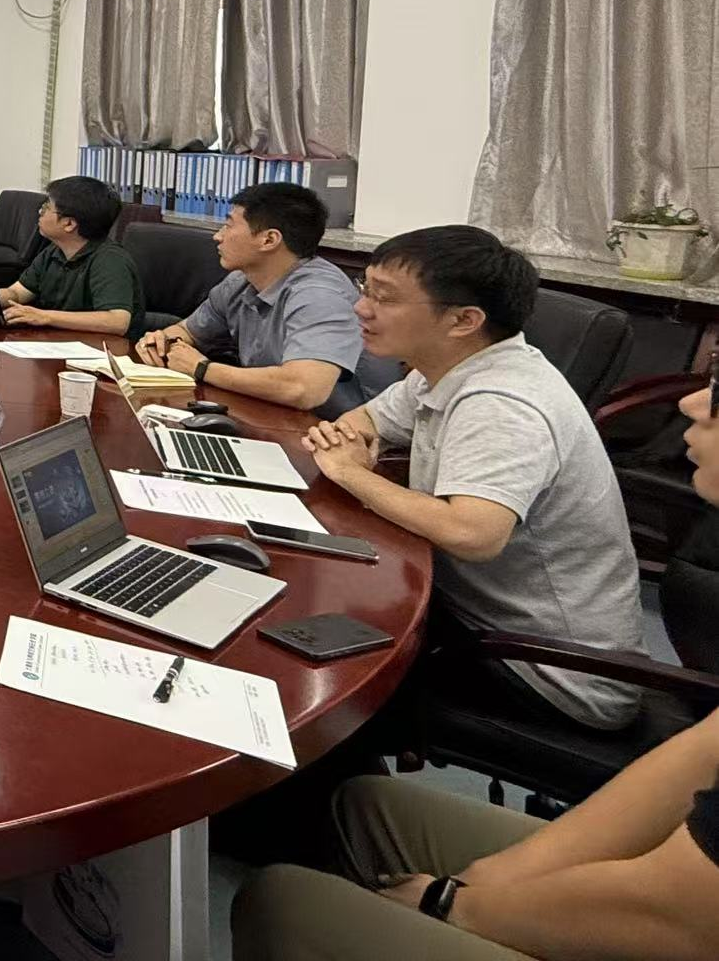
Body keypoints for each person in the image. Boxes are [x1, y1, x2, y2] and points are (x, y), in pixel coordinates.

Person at [234, 378, 719, 960]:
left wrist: (450, 904)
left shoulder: (507, 402)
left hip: (680, 903)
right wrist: (492, 878)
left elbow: (680, 916)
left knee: (280, 900)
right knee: (362, 804)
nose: (691, 401)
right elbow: (703, 751)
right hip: (683, 877)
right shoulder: (441, 380)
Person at [302, 225, 644, 732]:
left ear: (463, 320)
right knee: (318, 600)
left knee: (312, 660)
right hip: (471, 612)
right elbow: (363, 421)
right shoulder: (443, 367)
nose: (361, 308)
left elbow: (472, 534)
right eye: (364, 288)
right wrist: (350, 447)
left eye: (384, 298)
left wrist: (352, 472)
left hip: (550, 670)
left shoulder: (502, 404)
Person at [135, 182, 389, 417]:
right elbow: (188, 331)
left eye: (229, 226)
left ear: (269, 240)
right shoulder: (240, 281)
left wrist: (202, 368)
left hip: (340, 431)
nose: (218, 236)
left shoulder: (320, 296)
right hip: (274, 413)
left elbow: (304, 389)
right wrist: (162, 343)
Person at [0, 174, 146, 338]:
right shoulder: (54, 251)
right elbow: (17, 293)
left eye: (46, 207)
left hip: (103, 349)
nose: (40, 212)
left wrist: (45, 316)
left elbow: (117, 321)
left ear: (69, 224)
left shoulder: (110, 260)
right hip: (58, 342)